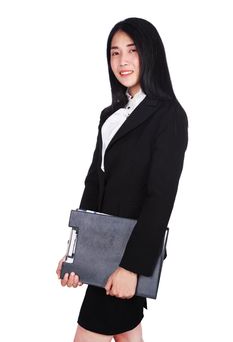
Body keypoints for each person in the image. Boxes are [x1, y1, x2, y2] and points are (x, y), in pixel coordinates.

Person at [56, 17, 188, 342]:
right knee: (128, 335)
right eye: (115, 53)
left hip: (128, 259)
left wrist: (132, 268)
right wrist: (77, 255)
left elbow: (160, 197)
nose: (123, 61)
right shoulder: (110, 115)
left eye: (132, 50)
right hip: (102, 255)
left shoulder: (168, 115)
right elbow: (94, 186)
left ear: (149, 53)